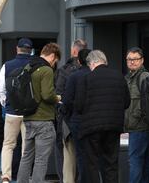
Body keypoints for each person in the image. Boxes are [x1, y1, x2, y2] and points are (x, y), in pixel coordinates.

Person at [74, 50, 130, 183]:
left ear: (92, 63)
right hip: (113, 126)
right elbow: (127, 102)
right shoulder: (119, 76)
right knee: (111, 163)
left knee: (91, 164)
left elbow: (79, 105)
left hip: (91, 128)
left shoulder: (86, 78)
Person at [17, 43, 61, 183]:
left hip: (28, 117)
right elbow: (47, 95)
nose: (55, 64)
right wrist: (57, 98)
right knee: (41, 160)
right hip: (43, 119)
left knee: (26, 157)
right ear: (53, 56)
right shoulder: (46, 70)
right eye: (55, 61)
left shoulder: (29, 66)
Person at [0, 38, 34, 183]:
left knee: (8, 144)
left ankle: (6, 176)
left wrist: (7, 104)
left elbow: (0, 90)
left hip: (12, 112)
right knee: (27, 145)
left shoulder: (7, 65)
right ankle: (24, 176)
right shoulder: (34, 65)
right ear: (30, 50)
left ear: (17, 49)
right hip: (29, 113)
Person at [54, 39, 87, 183]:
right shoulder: (90, 72)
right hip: (86, 120)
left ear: (74, 51)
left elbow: (59, 95)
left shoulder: (64, 71)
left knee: (65, 156)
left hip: (67, 120)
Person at [61, 48, 91, 183]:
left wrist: (66, 116)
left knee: (79, 156)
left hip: (77, 121)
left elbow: (66, 101)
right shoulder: (94, 75)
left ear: (78, 61)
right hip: (93, 121)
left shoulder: (73, 76)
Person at [124, 47, 149, 183]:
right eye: (129, 59)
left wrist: (137, 118)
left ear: (142, 60)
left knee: (135, 160)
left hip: (140, 126)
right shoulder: (129, 77)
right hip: (134, 126)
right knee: (144, 161)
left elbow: (147, 103)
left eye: (135, 59)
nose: (132, 62)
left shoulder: (144, 76)